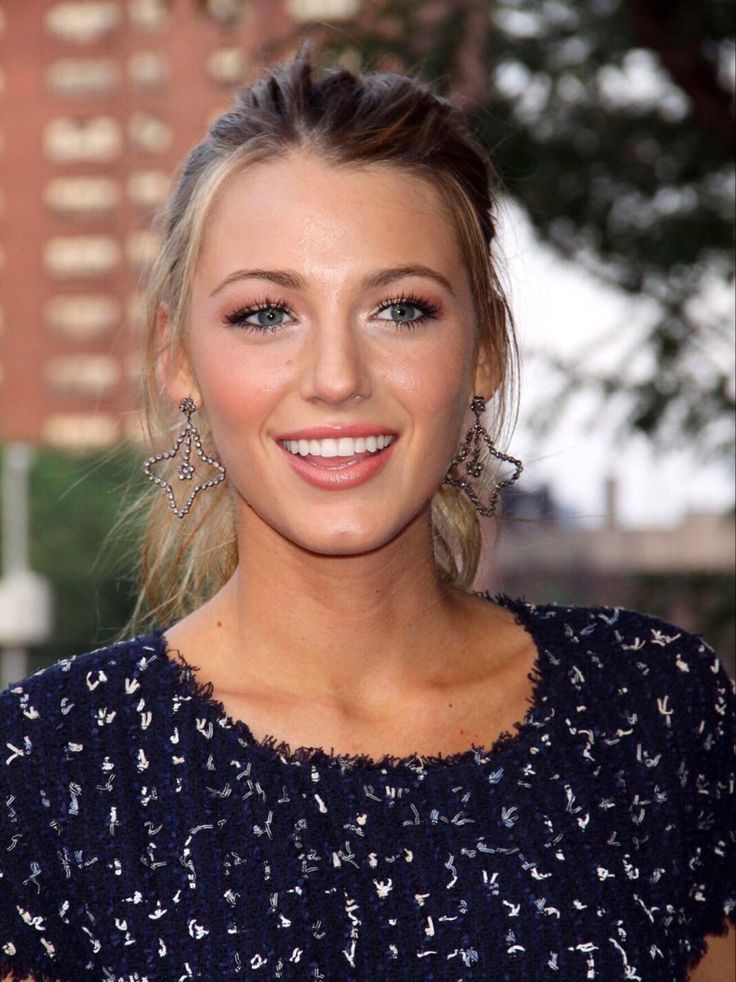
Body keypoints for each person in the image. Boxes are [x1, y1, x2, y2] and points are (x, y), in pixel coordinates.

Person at [1, 44, 733, 982]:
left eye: (400, 309)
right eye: (267, 313)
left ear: (485, 353)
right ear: (177, 359)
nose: (337, 379)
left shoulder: (650, 711)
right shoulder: (47, 772)